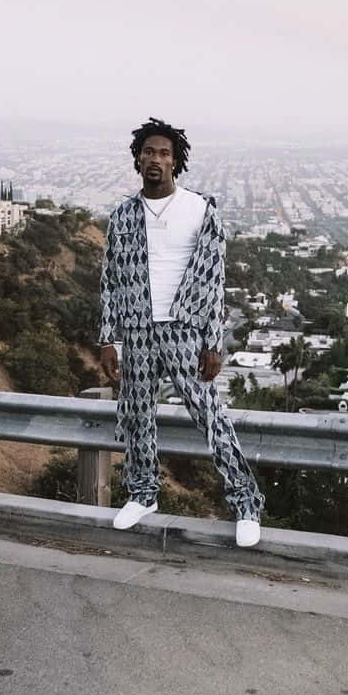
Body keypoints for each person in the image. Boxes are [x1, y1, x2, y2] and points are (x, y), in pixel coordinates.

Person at [99, 117, 264, 548]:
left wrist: (213, 341)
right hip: (135, 330)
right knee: (137, 417)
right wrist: (107, 339)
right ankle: (142, 493)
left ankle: (246, 503)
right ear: (138, 159)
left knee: (210, 416)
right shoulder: (122, 214)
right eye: (149, 152)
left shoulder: (199, 209)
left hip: (182, 330)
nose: (156, 159)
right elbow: (110, 280)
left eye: (165, 153)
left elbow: (214, 281)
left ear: (177, 162)